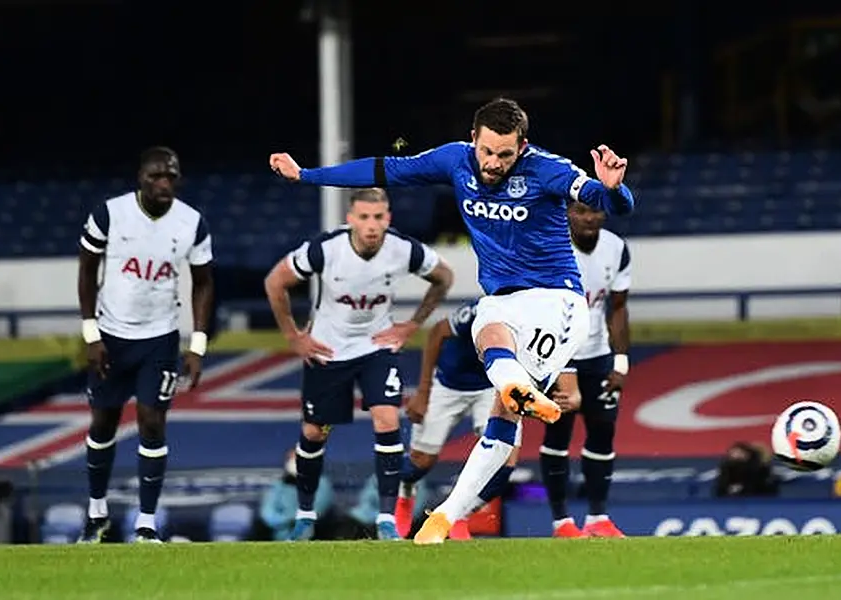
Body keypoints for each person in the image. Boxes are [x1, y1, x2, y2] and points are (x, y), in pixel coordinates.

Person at [269, 97, 634, 544]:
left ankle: (508, 389)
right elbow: (383, 169)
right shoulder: (454, 159)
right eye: (486, 151)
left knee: (492, 360)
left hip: (556, 301)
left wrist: (615, 189)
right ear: (473, 139)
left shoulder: (546, 169)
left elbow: (604, 200)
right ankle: (443, 518)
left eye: (505, 154)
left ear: (523, 146)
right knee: (491, 353)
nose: (493, 163)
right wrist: (307, 175)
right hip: (504, 301)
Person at [263, 187, 454, 540]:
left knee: (387, 419)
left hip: (376, 346)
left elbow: (444, 277)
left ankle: (385, 519)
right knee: (313, 432)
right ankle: (305, 515)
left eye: (378, 217)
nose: (371, 225)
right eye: (364, 217)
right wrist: (294, 337)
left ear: (388, 219)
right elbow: (275, 282)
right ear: (350, 219)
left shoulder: (403, 249)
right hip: (328, 349)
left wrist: (412, 323)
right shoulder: (325, 249)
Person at [76, 146, 214, 543]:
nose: (164, 183)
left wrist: (198, 344)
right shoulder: (109, 214)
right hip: (111, 336)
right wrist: (91, 334)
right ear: (141, 177)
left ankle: (147, 523)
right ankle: (97, 514)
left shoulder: (192, 223)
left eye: (170, 177)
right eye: (156, 176)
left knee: (152, 423)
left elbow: (204, 283)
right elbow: (86, 271)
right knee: (103, 421)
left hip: (160, 337)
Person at [539, 202, 631, 538]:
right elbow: (545, 310)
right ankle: (561, 521)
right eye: (580, 211)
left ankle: (597, 519)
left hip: (598, 355)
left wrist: (620, 362)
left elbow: (618, 307)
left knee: (603, 432)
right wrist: (562, 372)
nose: (589, 217)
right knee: (558, 434)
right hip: (557, 354)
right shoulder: (552, 246)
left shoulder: (616, 248)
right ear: (567, 213)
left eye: (595, 211)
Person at [395, 298, 507, 540]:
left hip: (490, 387)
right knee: (420, 462)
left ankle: (458, 514)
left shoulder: (533, 318)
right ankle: (406, 490)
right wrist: (423, 392)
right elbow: (437, 332)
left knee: (502, 458)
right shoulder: (481, 310)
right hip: (449, 385)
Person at [257, 449, 334, 541]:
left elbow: (318, 508)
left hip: (313, 536)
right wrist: (288, 520)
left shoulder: (321, 483)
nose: (295, 463)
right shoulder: (279, 486)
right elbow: (268, 512)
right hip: (281, 537)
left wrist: (298, 520)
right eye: (292, 459)